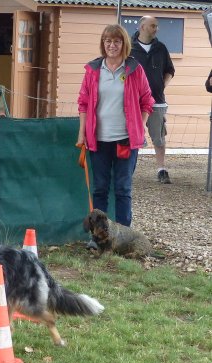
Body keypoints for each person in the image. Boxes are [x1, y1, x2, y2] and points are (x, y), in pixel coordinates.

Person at [77, 24, 154, 228]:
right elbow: (83, 103)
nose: (112, 45)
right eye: (108, 41)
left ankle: (124, 235)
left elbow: (148, 101)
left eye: (117, 41)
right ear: (103, 44)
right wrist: (81, 134)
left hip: (126, 141)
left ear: (124, 44)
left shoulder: (134, 69)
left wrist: (140, 126)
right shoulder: (93, 70)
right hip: (99, 140)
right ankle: (100, 236)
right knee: (100, 189)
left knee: (123, 189)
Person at [130, 16, 175, 184]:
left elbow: (170, 69)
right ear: (142, 26)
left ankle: (161, 169)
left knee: (159, 136)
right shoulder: (129, 48)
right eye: (153, 26)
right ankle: (128, 169)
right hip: (133, 102)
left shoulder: (161, 48)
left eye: (156, 26)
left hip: (157, 100)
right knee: (130, 135)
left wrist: (163, 84)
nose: (157, 29)